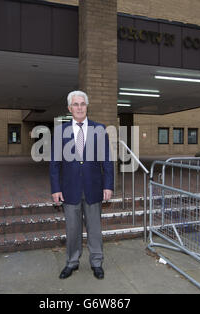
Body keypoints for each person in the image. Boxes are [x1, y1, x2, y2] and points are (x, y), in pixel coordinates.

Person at [50, 90, 114, 280]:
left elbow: (107, 161)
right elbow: (54, 163)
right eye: (75, 104)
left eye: (82, 104)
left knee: (95, 228)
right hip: (69, 189)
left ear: (87, 106)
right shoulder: (60, 131)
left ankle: (96, 262)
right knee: (72, 229)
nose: (79, 107)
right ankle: (72, 262)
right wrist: (55, 188)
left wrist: (108, 185)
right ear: (70, 108)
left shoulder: (99, 129)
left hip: (94, 188)